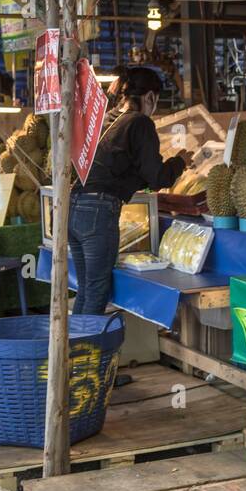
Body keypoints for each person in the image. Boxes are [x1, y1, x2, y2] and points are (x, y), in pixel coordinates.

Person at [70, 66, 187, 315]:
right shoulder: (140, 123)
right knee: (97, 290)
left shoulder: (108, 118)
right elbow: (156, 177)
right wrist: (180, 162)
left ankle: (74, 350)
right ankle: (84, 350)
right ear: (150, 97)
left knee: (86, 289)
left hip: (73, 206)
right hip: (98, 212)